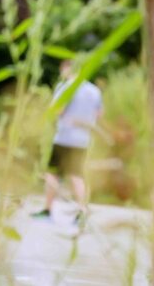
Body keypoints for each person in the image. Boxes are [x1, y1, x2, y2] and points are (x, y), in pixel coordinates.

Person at [32, 61, 103, 226]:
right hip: (83, 139)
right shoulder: (94, 90)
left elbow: (58, 109)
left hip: (65, 137)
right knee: (77, 175)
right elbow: (99, 114)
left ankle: (48, 210)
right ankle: (83, 211)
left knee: (52, 173)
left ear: (68, 69)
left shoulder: (66, 87)